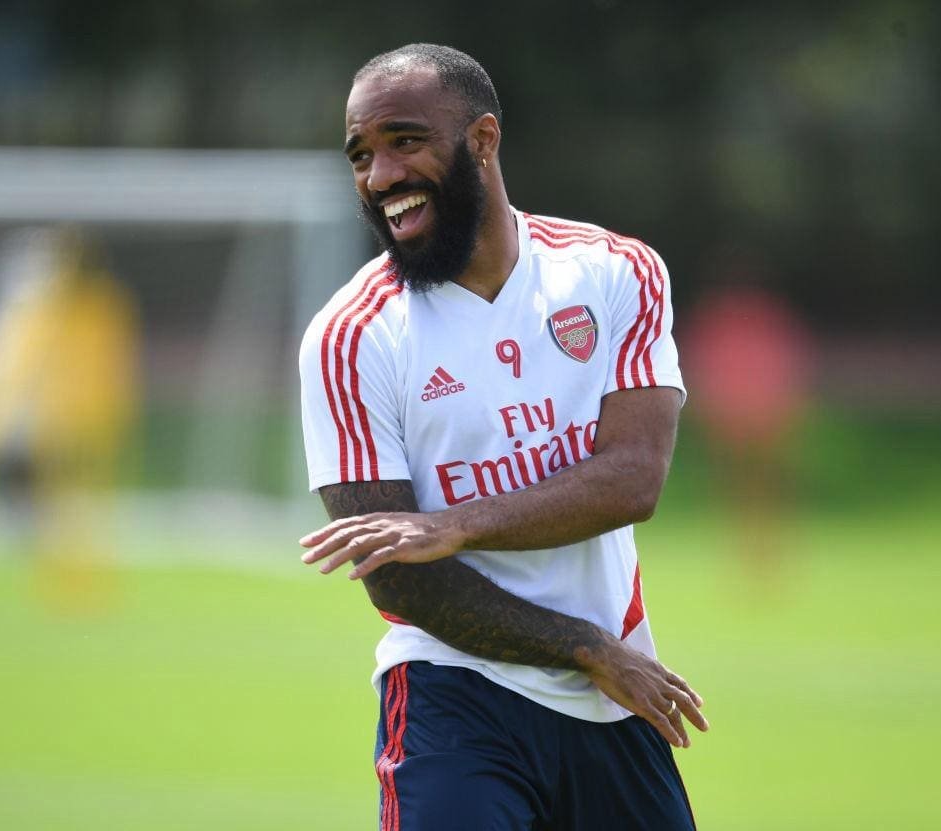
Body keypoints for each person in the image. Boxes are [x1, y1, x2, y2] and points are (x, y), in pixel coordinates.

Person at [298, 43, 707, 830]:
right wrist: (585, 646)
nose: (379, 176)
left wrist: (453, 524)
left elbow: (632, 478)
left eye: (404, 140)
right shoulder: (349, 336)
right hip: (455, 695)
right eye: (361, 154)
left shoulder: (616, 272)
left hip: (614, 699)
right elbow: (399, 577)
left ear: (483, 140)